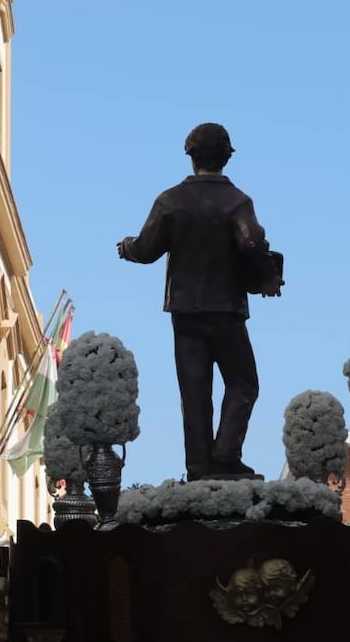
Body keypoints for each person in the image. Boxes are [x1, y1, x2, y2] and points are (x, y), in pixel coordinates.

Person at [116, 123, 282, 480]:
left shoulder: (170, 200)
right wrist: (265, 274)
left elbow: (146, 249)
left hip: (185, 310)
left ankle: (199, 468)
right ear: (226, 157)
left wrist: (126, 247)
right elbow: (252, 243)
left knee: (194, 392)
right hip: (225, 310)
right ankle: (225, 455)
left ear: (191, 158)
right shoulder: (238, 201)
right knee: (243, 383)